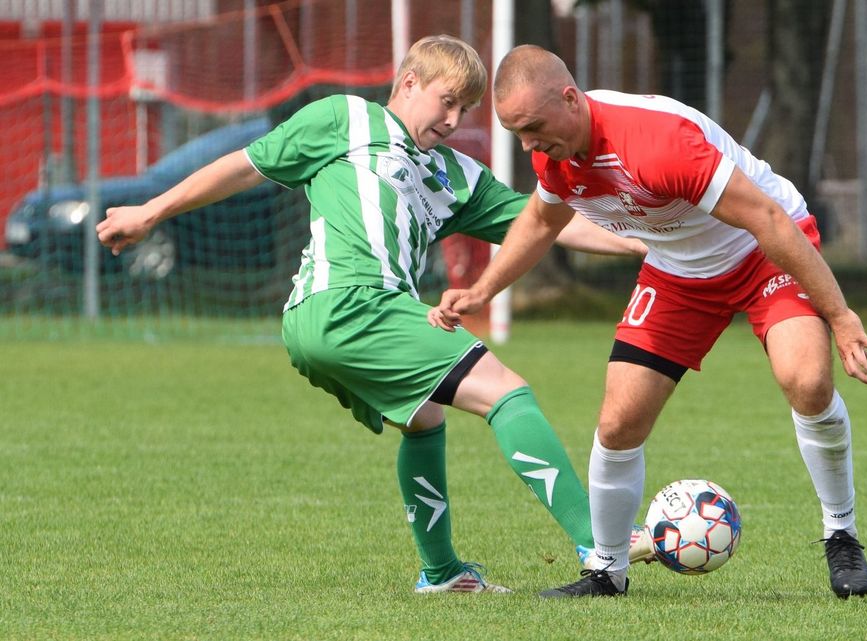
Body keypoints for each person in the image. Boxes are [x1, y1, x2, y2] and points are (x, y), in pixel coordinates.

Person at [97, 35, 650, 594]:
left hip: (344, 318)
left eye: (466, 109)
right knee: (506, 393)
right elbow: (247, 166)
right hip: (348, 303)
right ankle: (600, 539)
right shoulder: (346, 119)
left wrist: (647, 240)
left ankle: (441, 574)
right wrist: (152, 209)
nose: (455, 119)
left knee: (424, 418)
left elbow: (547, 224)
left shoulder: (456, 175)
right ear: (409, 83)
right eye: (447, 100)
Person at [429, 45, 867, 599]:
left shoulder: (657, 141)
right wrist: (481, 290)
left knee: (808, 382)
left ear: (571, 100)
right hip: (677, 273)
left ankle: (840, 533)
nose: (528, 144)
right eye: (516, 133)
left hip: (763, 251)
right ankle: (607, 570)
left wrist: (839, 315)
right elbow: (539, 221)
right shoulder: (555, 155)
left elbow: (767, 219)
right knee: (619, 423)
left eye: (532, 127)